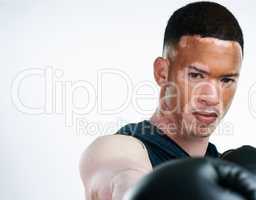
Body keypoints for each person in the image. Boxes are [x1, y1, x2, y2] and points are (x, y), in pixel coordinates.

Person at [80, 1, 244, 200]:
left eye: (226, 80)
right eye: (196, 75)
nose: (212, 97)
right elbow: (125, 179)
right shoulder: (121, 148)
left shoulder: (231, 175)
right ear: (162, 72)